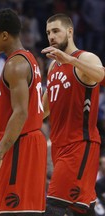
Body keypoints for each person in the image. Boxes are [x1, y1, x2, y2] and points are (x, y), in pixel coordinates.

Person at [0, 8, 47, 215]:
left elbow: (20, 113)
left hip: (21, 144)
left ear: (4, 35)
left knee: (15, 211)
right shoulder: (30, 59)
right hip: (32, 141)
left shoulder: (16, 65)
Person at [41, 13, 104, 216]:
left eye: (56, 31)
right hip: (58, 146)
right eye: (48, 32)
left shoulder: (85, 58)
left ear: (70, 31)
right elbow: (44, 108)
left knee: (53, 207)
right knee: (81, 208)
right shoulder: (53, 66)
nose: (51, 36)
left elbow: (101, 75)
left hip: (79, 144)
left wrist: (70, 60)